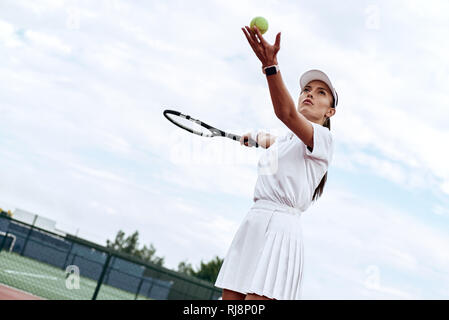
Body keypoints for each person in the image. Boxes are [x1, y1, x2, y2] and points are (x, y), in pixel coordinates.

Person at [214, 25, 338, 300]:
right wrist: (254, 138)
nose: (310, 93)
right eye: (307, 88)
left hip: (281, 230)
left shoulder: (323, 139)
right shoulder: (286, 140)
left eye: (320, 93)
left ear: (329, 111)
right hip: (254, 222)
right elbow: (274, 138)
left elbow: (284, 113)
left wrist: (270, 66)